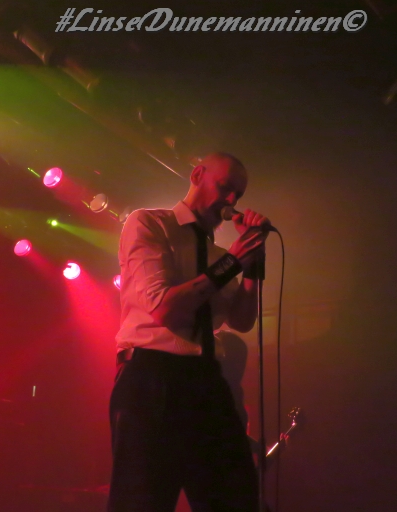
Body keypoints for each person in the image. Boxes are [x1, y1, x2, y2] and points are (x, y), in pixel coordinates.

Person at [108, 152, 269, 512]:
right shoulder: (150, 223)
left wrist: (251, 267)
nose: (231, 200)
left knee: (238, 498)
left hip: (207, 380)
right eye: (225, 188)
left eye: (238, 195)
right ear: (197, 176)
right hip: (152, 377)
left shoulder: (219, 253)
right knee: (142, 502)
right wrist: (233, 262)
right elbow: (164, 308)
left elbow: (242, 321)